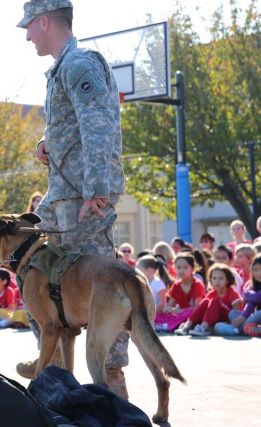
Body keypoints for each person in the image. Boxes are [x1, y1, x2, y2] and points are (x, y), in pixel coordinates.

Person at [16, 0, 129, 398]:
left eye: (29, 26)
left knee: (103, 287)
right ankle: (57, 372)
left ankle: (112, 387)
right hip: (63, 193)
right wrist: (50, 142)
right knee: (31, 270)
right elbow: (75, 124)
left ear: (45, 21)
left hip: (84, 197)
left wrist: (97, 187)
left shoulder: (80, 62)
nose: (27, 35)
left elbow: (99, 123)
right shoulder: (63, 67)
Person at [216, 253, 261, 336]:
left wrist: (247, 292)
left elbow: (258, 297)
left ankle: (236, 330)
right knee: (232, 313)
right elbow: (252, 302)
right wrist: (243, 316)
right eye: (255, 270)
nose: (258, 273)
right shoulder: (258, 283)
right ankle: (251, 329)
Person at [175, 264, 242, 336]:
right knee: (206, 300)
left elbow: (236, 315)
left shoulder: (233, 294)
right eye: (214, 278)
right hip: (213, 320)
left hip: (226, 322)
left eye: (221, 278)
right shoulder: (211, 293)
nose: (217, 281)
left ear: (227, 280)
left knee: (214, 300)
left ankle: (204, 327)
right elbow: (205, 310)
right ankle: (188, 325)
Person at [136, 255, 173, 319]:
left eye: (138, 269)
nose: (136, 271)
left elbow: (162, 305)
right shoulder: (141, 282)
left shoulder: (158, 284)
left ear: (148, 270)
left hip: (156, 314)